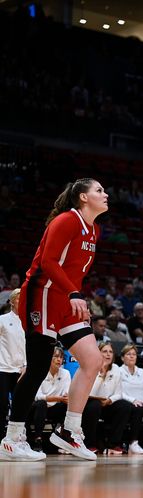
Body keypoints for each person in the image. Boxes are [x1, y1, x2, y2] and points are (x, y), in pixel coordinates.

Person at [0, 178, 108, 461]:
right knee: (37, 367)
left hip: (64, 298)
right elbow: (48, 262)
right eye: (99, 190)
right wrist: (74, 292)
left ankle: (69, 431)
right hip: (43, 293)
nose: (105, 194)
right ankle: (12, 439)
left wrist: (74, 295)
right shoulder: (65, 221)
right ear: (83, 197)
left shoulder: (93, 230)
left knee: (93, 360)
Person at [82, 342, 132, 454]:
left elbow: (119, 393)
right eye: (105, 351)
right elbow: (90, 392)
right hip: (91, 403)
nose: (108, 354)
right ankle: (89, 444)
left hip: (107, 403)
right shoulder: (91, 367)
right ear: (98, 353)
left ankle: (113, 444)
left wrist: (109, 400)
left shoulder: (116, 369)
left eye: (110, 352)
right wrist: (101, 374)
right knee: (94, 405)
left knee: (125, 406)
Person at [28, 347, 70, 451]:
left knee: (67, 406)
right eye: (56, 356)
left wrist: (62, 398)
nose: (59, 359)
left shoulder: (66, 373)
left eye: (61, 357)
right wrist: (57, 398)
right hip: (36, 407)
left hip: (54, 407)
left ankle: (63, 438)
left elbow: (66, 395)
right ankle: (38, 440)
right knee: (41, 404)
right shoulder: (40, 372)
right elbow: (37, 396)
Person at [0, 289, 25, 439]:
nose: (21, 302)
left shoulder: (29, 322)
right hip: (3, 368)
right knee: (2, 406)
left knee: (20, 405)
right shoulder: (2, 319)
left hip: (21, 369)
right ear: (12, 302)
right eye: (18, 299)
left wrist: (26, 365)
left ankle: (18, 437)